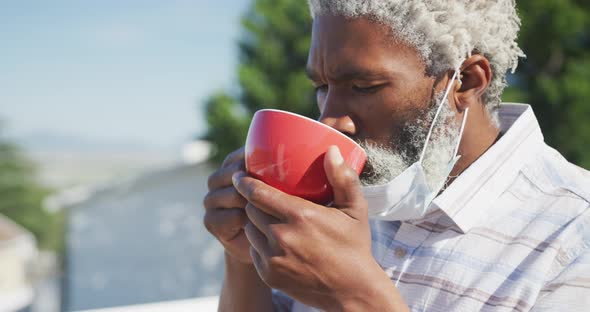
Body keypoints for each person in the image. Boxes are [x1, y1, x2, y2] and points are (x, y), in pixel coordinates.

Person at [203, 1, 590, 311]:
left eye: (363, 86)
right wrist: (244, 259)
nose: (330, 119)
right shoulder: (335, 204)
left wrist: (356, 296)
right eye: (322, 86)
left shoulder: (575, 235)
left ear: (466, 81)